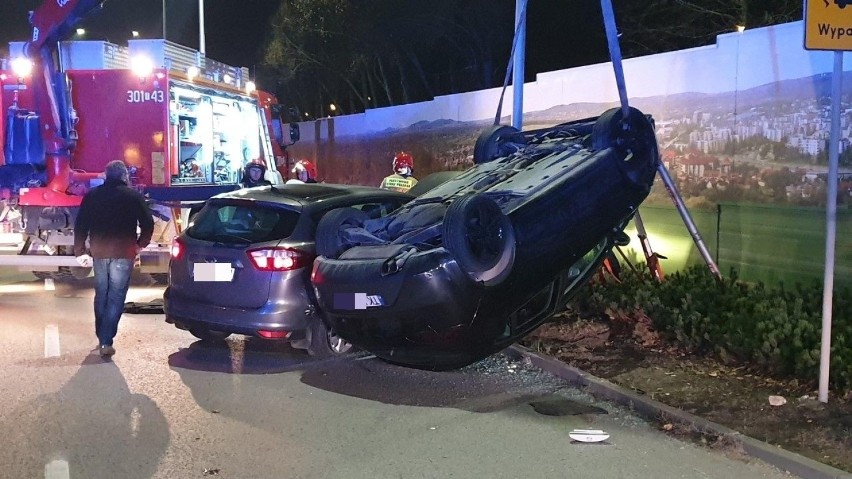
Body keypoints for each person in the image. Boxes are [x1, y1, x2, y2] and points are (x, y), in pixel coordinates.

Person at [73, 160, 154, 358]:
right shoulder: (133, 197)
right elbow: (147, 223)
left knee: (102, 294)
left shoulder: (93, 196)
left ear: (106, 175)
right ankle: (106, 340)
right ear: (124, 176)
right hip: (123, 252)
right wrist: (140, 244)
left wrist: (80, 252)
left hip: (99, 251)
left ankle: (102, 335)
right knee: (116, 296)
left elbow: (81, 224)